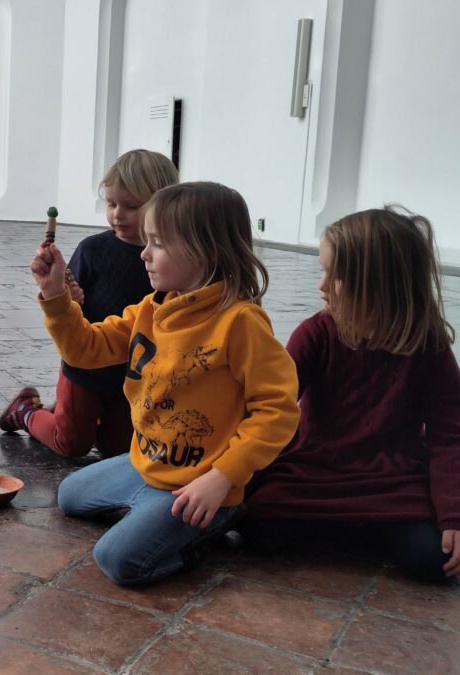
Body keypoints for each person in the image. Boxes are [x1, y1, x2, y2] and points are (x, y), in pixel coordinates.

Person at [33, 181, 299, 585]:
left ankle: (209, 524)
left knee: (118, 560)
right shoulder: (152, 308)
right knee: (69, 496)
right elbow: (85, 349)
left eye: (157, 243)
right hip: (147, 463)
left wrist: (223, 477)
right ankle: (149, 510)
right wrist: (55, 296)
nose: (144, 253)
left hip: (202, 483)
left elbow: (278, 411)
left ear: (203, 250)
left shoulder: (240, 322)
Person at [244, 207, 460, 583]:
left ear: (380, 284)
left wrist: (454, 516)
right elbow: (272, 407)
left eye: (336, 275)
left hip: (392, 478)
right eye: (322, 271)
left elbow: (450, 434)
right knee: (258, 527)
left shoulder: (427, 345)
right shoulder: (315, 333)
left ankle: (356, 523)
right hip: (316, 468)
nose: (322, 285)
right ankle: (363, 525)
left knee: (434, 559)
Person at [0, 149, 178, 459]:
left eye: (131, 206)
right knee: (71, 444)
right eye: (111, 204)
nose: (118, 215)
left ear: (164, 206)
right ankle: (26, 410)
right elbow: (68, 312)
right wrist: (68, 297)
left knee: (119, 450)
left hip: (135, 376)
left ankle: (66, 414)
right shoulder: (93, 249)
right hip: (86, 369)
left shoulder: (174, 259)